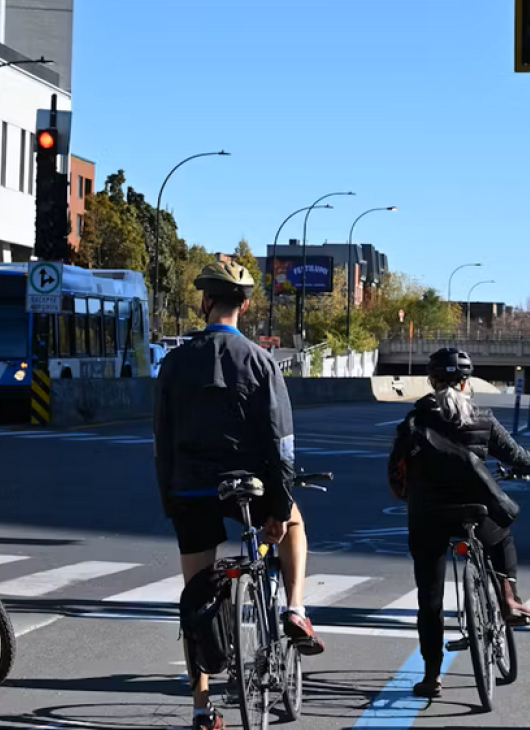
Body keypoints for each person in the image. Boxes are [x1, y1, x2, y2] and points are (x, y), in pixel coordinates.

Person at [154, 260, 324, 730]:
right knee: (294, 528)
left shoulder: (173, 363)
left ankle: (201, 707)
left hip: (189, 488)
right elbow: (280, 441)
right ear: (244, 306)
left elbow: (161, 439)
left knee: (195, 598)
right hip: (246, 487)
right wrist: (279, 505)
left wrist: (171, 500)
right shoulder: (261, 361)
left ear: (204, 301)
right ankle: (294, 608)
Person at [389, 347, 530, 698]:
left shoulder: (414, 422)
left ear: (431, 380)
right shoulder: (483, 419)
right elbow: (521, 458)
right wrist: (522, 466)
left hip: (428, 517)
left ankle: (431, 677)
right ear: (466, 382)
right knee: (502, 538)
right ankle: (508, 597)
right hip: (476, 512)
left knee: (430, 597)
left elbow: (397, 475)